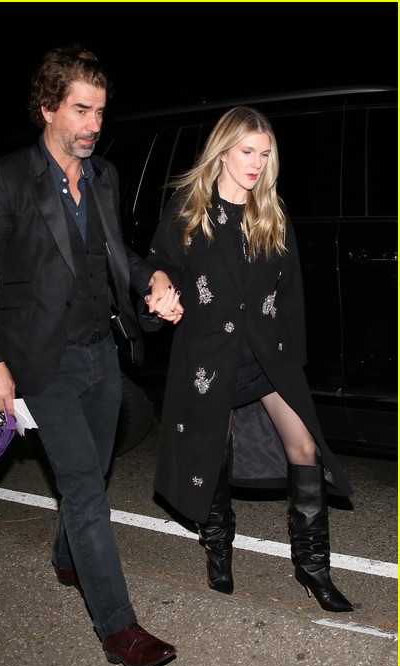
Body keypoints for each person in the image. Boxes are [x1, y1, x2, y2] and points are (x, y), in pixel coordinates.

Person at [0, 43, 182, 666]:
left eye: (101, 113)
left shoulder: (105, 177)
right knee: (85, 487)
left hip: (99, 352)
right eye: (81, 111)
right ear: (47, 107)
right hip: (39, 360)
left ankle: (67, 557)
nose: (93, 126)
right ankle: (119, 629)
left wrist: (153, 281)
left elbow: (119, 255)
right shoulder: (4, 177)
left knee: (97, 463)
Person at [146, 105, 354, 613]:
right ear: (222, 151)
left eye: (265, 153)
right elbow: (158, 265)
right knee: (214, 454)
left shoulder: (270, 213)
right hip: (211, 358)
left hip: (265, 358)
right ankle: (218, 544)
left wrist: (294, 362)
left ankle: (312, 569)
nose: (257, 163)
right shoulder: (187, 211)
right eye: (247, 151)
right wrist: (158, 287)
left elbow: (292, 295)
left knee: (304, 445)